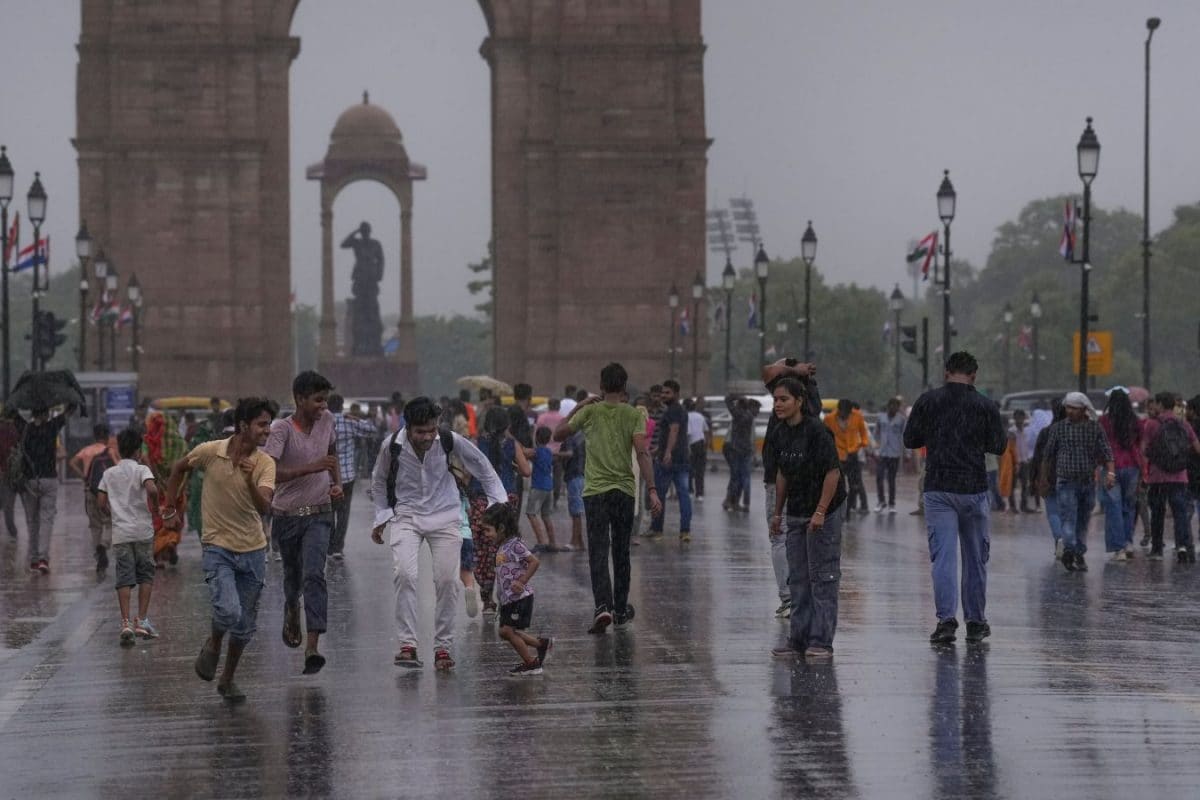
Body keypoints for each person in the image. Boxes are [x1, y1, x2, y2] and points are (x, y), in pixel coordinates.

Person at [371, 397, 508, 670]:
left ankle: (442, 648)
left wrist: (498, 502)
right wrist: (382, 516)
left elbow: (482, 466)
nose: (427, 437)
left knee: (446, 581)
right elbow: (378, 480)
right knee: (405, 574)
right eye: (420, 432)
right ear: (408, 428)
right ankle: (408, 646)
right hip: (406, 515)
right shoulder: (391, 446)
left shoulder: (449, 439)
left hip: (445, 514)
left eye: (431, 430)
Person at [164, 397, 278, 704]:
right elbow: (178, 469)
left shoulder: (265, 463)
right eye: (262, 424)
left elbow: (264, 506)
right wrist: (168, 507)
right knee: (228, 610)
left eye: (269, 425)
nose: (267, 431)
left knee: (244, 627)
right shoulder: (210, 451)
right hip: (218, 548)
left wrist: (248, 478)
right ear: (243, 426)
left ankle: (227, 680)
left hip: (253, 550)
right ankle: (213, 643)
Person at [903, 352, 1006, 645]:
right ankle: (976, 621)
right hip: (973, 487)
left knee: (943, 559)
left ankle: (946, 621)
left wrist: (938, 435)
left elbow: (911, 440)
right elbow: (998, 445)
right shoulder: (985, 405)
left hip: (939, 488)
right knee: (976, 559)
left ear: (946, 371)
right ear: (974, 375)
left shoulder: (928, 401)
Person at [554, 362, 661, 634]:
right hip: (623, 492)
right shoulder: (633, 415)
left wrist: (579, 407)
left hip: (595, 493)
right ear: (624, 387)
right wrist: (651, 489)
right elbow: (642, 453)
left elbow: (558, 434)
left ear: (601, 386)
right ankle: (621, 609)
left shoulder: (590, 412)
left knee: (599, 550)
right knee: (621, 550)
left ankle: (602, 606)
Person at [264, 371, 342, 675]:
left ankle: (312, 646)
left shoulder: (329, 421)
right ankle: (291, 607)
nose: (323, 406)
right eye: (317, 400)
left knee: (314, 574)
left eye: (325, 400)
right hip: (286, 515)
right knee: (293, 578)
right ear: (299, 399)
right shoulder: (280, 430)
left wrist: (335, 483)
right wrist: (311, 468)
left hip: (320, 513)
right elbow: (269, 474)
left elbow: (331, 455)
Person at [768, 378, 846, 660]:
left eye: (784, 399)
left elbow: (833, 472)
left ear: (799, 402)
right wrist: (777, 513)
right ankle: (797, 639)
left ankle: (821, 641)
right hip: (796, 511)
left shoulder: (816, 431)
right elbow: (782, 474)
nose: (778, 404)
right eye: (776, 399)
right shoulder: (779, 433)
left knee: (822, 577)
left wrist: (821, 512)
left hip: (824, 511)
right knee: (798, 578)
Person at [760, 359, 823, 620]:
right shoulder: (806, 397)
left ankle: (790, 597)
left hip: (783, 478)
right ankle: (797, 595)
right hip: (790, 478)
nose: (777, 404)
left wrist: (789, 369)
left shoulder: (789, 404)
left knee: (783, 536)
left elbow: (768, 371)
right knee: (791, 536)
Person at [97, 428, 160, 645]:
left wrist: (113, 514)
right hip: (142, 531)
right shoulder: (142, 469)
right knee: (145, 575)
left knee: (124, 577)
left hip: (121, 534)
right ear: (137, 450)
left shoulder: (109, 473)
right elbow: (152, 490)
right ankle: (141, 620)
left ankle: (125, 622)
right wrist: (156, 508)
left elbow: (101, 503)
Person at [1041, 392, 1114, 572]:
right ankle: (1069, 549)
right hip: (1066, 482)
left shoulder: (1094, 428)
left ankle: (1079, 552)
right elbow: (1048, 455)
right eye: (1068, 407)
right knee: (1068, 517)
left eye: (1074, 408)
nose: (1070, 411)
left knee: (1083, 519)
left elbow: (1107, 452)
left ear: (1084, 410)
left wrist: (1111, 473)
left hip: (1088, 482)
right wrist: (1043, 479)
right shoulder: (1058, 429)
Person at [482, 502, 553, 677]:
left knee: (507, 631)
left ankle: (531, 663)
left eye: (488, 530)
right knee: (507, 632)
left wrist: (522, 581)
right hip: (509, 599)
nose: (486, 535)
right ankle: (541, 644)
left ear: (502, 528)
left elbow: (534, 562)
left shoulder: (515, 545)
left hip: (520, 598)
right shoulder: (502, 545)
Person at [473, 406, 531, 615]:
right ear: (507, 425)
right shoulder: (512, 444)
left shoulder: (477, 443)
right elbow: (526, 471)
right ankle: (508, 594)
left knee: (483, 550)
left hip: (481, 499)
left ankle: (487, 600)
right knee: (505, 549)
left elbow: (466, 472)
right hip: (507, 499)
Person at [1141, 391, 1200, 562]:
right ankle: (1181, 545)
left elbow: (1144, 449)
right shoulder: (1184, 424)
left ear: (1159, 404)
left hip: (1157, 477)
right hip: (1179, 476)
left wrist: (1147, 468)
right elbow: (1197, 448)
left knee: (1157, 514)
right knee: (1180, 513)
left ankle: (1157, 549)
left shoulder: (1151, 424)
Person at [17, 404, 74, 574]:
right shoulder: (52, 426)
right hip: (49, 479)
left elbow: (12, 412)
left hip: (29, 481)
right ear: (47, 413)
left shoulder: (24, 428)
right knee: (47, 520)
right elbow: (69, 412)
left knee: (32, 521)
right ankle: (43, 558)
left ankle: (34, 559)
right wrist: (72, 400)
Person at [328, 393, 379, 561]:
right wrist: (355, 418)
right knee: (343, 512)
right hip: (347, 475)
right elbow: (372, 429)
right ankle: (337, 547)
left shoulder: (323, 422)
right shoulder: (348, 422)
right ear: (342, 406)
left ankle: (328, 545)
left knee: (328, 512)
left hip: (327, 475)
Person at [1098, 388, 1144, 560]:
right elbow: (1139, 442)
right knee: (1129, 506)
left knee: (1113, 506)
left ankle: (1119, 548)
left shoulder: (1104, 421)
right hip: (1132, 466)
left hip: (1110, 467)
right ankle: (1128, 542)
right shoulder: (1135, 421)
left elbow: (1099, 443)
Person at [70, 423, 117, 573]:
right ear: (107, 436)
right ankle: (104, 545)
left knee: (95, 525)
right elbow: (118, 467)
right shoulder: (109, 451)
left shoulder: (86, 450)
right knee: (110, 522)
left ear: (95, 436)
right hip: (107, 492)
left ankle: (98, 554)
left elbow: (72, 463)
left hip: (90, 490)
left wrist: (84, 477)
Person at [649, 379, 692, 541]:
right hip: (681, 458)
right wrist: (658, 450)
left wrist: (666, 453)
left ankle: (657, 529)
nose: (663, 395)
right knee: (683, 495)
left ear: (676, 394)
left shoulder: (672, 410)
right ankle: (685, 530)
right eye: (662, 392)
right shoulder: (680, 410)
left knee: (659, 494)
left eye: (667, 393)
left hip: (669, 460)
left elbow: (674, 431)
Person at [825, 399, 871, 517]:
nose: (846, 416)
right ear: (839, 411)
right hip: (837, 455)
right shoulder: (829, 419)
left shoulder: (857, 416)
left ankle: (848, 509)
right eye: (844, 413)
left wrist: (862, 444)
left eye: (848, 413)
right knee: (839, 484)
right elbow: (824, 435)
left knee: (854, 485)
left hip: (852, 454)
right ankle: (839, 510)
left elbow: (863, 433)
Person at [525, 426, 560, 551]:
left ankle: (541, 541)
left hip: (538, 487)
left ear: (536, 437)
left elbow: (524, 453)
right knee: (546, 515)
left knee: (531, 513)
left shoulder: (536, 452)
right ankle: (553, 543)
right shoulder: (549, 452)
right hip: (549, 486)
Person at [874, 398, 905, 513]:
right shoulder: (880, 417)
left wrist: (907, 453)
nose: (893, 408)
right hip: (882, 453)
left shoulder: (901, 419)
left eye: (896, 406)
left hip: (894, 453)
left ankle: (892, 504)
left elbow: (904, 436)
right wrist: (875, 448)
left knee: (891, 480)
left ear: (898, 408)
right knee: (879, 477)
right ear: (888, 406)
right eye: (891, 406)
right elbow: (876, 433)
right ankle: (881, 501)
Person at [559, 428, 587, 551]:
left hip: (573, 475)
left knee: (575, 512)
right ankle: (580, 542)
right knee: (577, 511)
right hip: (582, 476)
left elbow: (569, 453)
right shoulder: (583, 437)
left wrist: (555, 454)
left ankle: (574, 542)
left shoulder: (570, 438)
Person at [535, 398, 565, 505]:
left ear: (548, 405)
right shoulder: (562, 419)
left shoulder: (542, 418)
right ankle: (555, 499)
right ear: (558, 406)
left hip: (543, 451)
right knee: (557, 477)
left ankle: (543, 498)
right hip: (558, 452)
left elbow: (536, 434)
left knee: (543, 475)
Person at [0, 409, 20, 540]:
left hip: (8, 475)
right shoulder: (15, 431)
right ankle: (12, 533)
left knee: (7, 506)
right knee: (8, 507)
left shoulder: (12, 432)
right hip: (10, 475)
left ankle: (12, 533)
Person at [686, 399, 710, 501]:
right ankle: (699, 493)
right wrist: (706, 445)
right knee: (700, 470)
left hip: (691, 444)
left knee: (690, 469)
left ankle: (690, 490)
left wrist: (687, 448)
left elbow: (688, 433)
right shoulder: (701, 416)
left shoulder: (686, 416)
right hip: (701, 443)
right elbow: (706, 430)